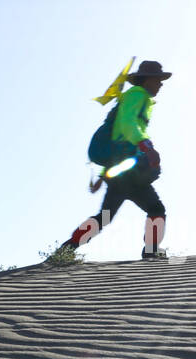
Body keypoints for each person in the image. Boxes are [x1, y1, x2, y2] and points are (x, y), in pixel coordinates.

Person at [60, 60, 171, 260]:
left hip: (120, 171)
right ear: (147, 80)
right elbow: (128, 124)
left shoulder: (134, 97)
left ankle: (67, 249)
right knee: (156, 209)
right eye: (158, 80)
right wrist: (147, 146)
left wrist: (104, 176)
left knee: (104, 217)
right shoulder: (138, 95)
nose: (161, 84)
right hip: (131, 174)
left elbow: (119, 139)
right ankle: (152, 251)